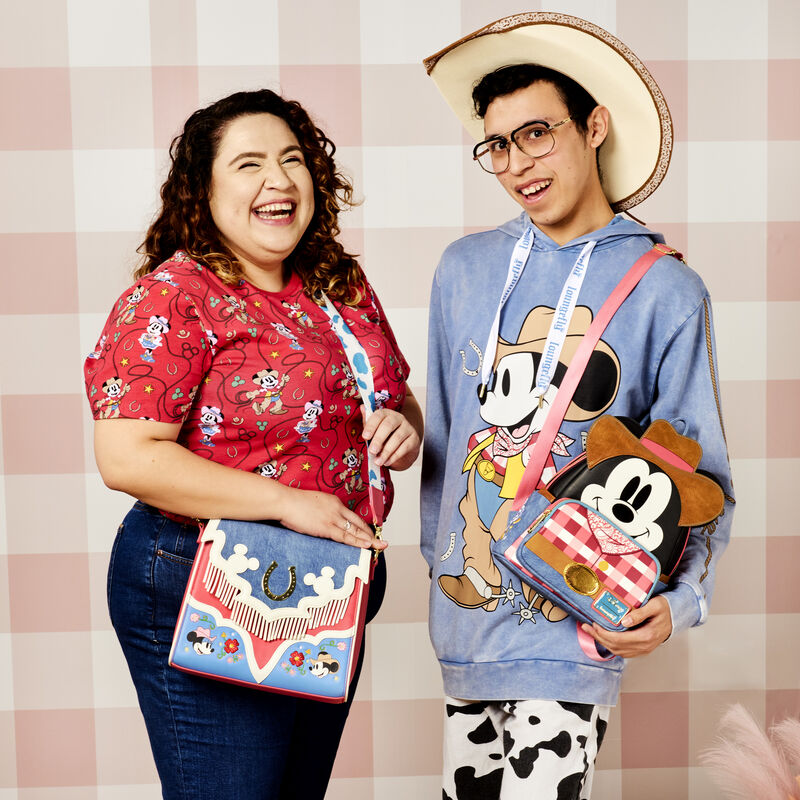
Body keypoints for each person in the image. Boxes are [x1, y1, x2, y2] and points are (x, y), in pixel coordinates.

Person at [420, 14, 734, 799]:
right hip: (466, 623)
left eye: (537, 134)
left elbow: (701, 473)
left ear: (594, 127)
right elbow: (446, 437)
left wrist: (683, 602)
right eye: (497, 145)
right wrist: (445, 561)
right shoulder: (463, 269)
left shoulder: (666, 288)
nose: (517, 164)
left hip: (574, 624)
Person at [83, 89, 423, 799]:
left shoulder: (339, 284)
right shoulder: (174, 296)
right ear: (202, 191)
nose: (279, 179)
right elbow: (127, 457)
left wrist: (403, 426)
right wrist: (286, 503)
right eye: (249, 164)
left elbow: (394, 398)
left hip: (328, 584)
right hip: (203, 577)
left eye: (293, 160)